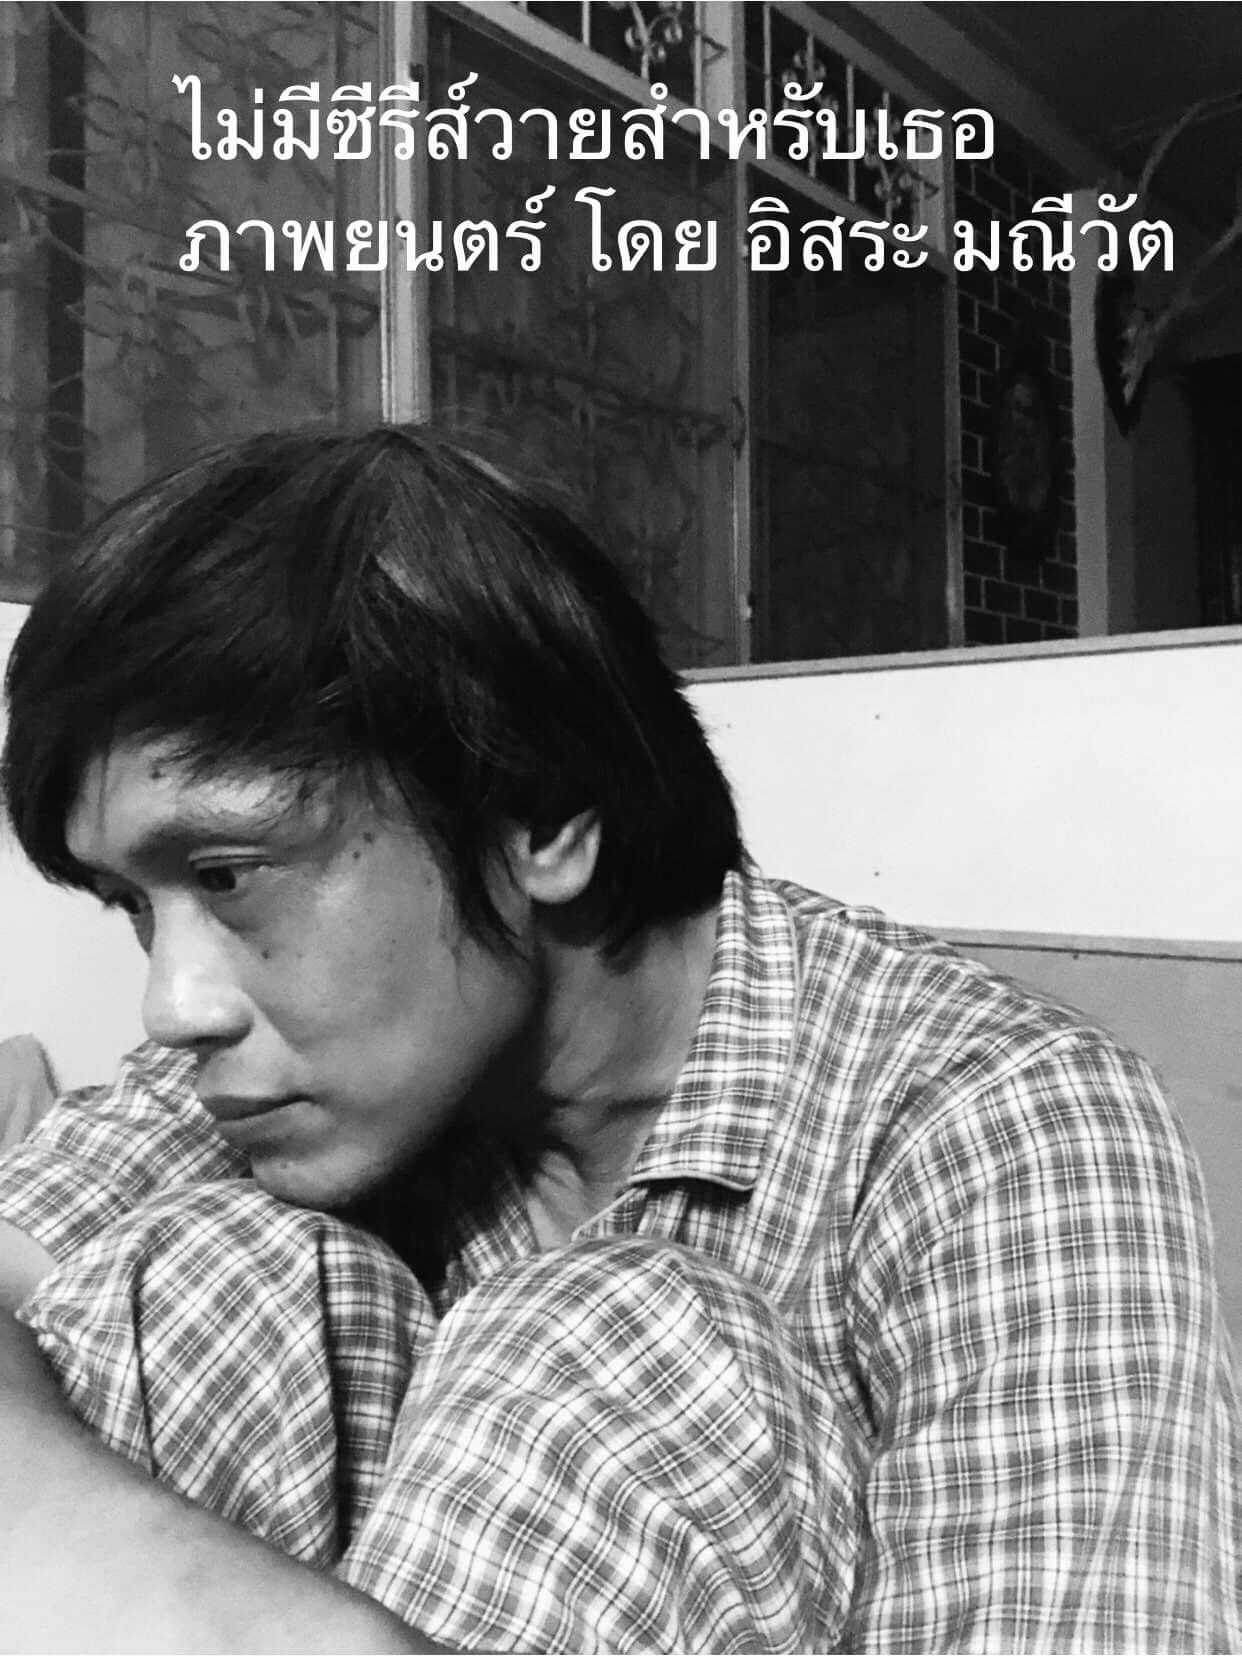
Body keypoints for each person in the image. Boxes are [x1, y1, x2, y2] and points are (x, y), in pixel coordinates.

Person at [0, 423, 1237, 1654]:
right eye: (132, 907)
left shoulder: (1005, 1120)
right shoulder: (273, 1071)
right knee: (212, 1276)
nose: (172, 1005)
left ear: (539, 819)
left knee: (623, 1336)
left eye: (228, 875)